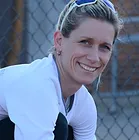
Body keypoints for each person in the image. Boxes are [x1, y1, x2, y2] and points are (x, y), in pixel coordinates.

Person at [0, 0, 123, 139]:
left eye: (104, 47)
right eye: (85, 42)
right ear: (59, 41)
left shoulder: (83, 103)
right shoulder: (37, 86)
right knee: (59, 126)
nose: (94, 57)